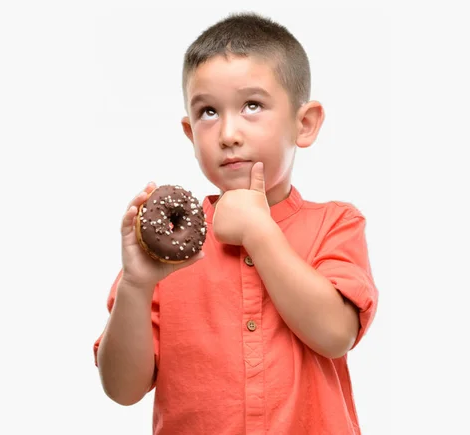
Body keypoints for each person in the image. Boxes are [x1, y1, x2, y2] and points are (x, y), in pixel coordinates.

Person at [93, 11, 379, 434]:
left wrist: (259, 232)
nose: (228, 133)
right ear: (191, 135)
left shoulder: (336, 223)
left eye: (252, 106)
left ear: (304, 123)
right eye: (208, 112)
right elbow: (122, 388)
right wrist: (137, 286)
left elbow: (336, 334)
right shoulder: (166, 252)